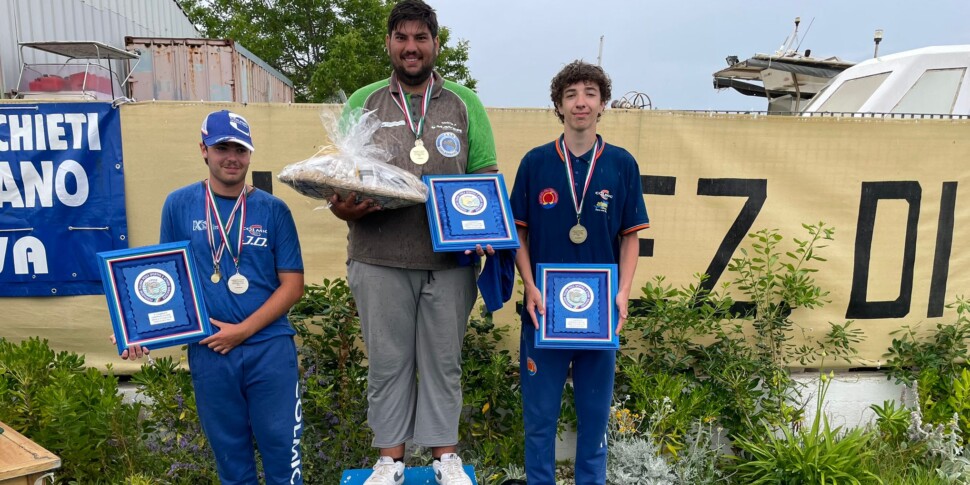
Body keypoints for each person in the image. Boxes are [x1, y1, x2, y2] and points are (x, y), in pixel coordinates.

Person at [327, 1, 498, 484]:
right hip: (377, 258)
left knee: (444, 362)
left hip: (450, 263)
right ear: (388, 43)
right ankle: (390, 461)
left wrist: (484, 229)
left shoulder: (465, 104)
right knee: (387, 363)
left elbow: (484, 175)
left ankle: (446, 458)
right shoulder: (364, 101)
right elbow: (341, 176)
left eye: (420, 38)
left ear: (435, 45)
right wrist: (342, 206)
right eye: (401, 37)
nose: (410, 47)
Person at [119, 110, 306, 485]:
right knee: (232, 464)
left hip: (269, 349)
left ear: (250, 154)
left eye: (240, 148)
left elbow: (293, 285)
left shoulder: (273, 209)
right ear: (203, 150)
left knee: (284, 460)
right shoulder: (179, 204)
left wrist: (242, 331)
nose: (232, 157)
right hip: (209, 352)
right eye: (222, 147)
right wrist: (135, 328)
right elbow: (164, 280)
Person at [510, 61, 650, 484]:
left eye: (589, 93)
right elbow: (518, 234)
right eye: (571, 95)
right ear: (558, 105)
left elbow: (630, 237)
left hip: (600, 316)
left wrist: (623, 292)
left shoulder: (622, 164)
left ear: (602, 103)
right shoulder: (535, 163)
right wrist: (530, 285)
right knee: (539, 422)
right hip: (543, 313)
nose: (580, 102)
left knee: (594, 424)